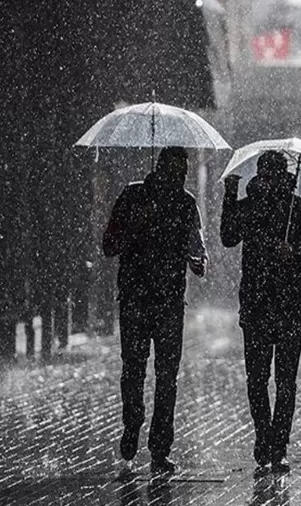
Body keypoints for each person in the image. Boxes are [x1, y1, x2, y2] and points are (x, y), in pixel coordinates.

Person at [221, 151, 301, 476]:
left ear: (284, 177)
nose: (268, 183)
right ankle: (262, 436)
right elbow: (228, 237)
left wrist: (294, 252)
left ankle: (278, 446)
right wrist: (229, 196)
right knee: (257, 379)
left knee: (285, 381)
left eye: (274, 177)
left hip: (290, 305)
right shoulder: (249, 206)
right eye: (264, 176)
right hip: (256, 304)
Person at [102, 146, 207, 476]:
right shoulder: (133, 197)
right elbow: (109, 245)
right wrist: (137, 223)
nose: (178, 178)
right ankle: (133, 424)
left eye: (183, 173)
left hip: (169, 303)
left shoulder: (186, 204)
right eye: (174, 171)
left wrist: (197, 262)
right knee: (133, 369)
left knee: (166, 377)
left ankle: (160, 447)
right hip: (135, 299)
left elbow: (197, 250)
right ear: (160, 168)